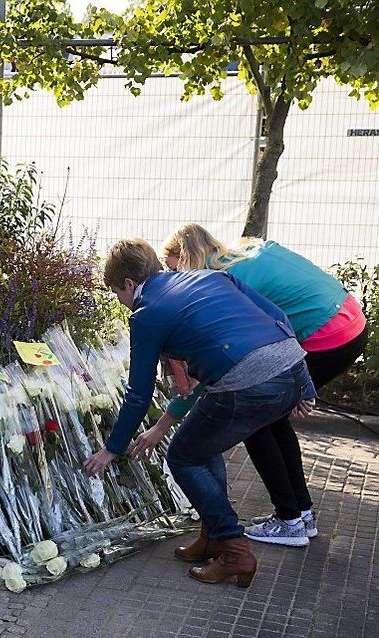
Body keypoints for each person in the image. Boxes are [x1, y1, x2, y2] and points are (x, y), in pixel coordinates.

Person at [83, 238, 316, 587]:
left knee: (183, 456)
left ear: (129, 284)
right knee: (201, 444)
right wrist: (304, 384)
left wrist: (112, 448)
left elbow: (138, 392)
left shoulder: (146, 315)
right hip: (290, 369)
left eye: (117, 293)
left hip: (247, 381)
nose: (121, 302)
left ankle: (234, 549)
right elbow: (278, 318)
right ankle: (212, 538)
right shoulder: (210, 278)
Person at [132, 224, 368, 547]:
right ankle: (300, 514)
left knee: (254, 414)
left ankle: (290, 520)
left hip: (325, 334)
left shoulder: (223, 282)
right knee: (271, 415)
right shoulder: (245, 253)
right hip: (351, 321)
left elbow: (216, 377)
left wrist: (163, 424)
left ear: (186, 259)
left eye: (174, 269)